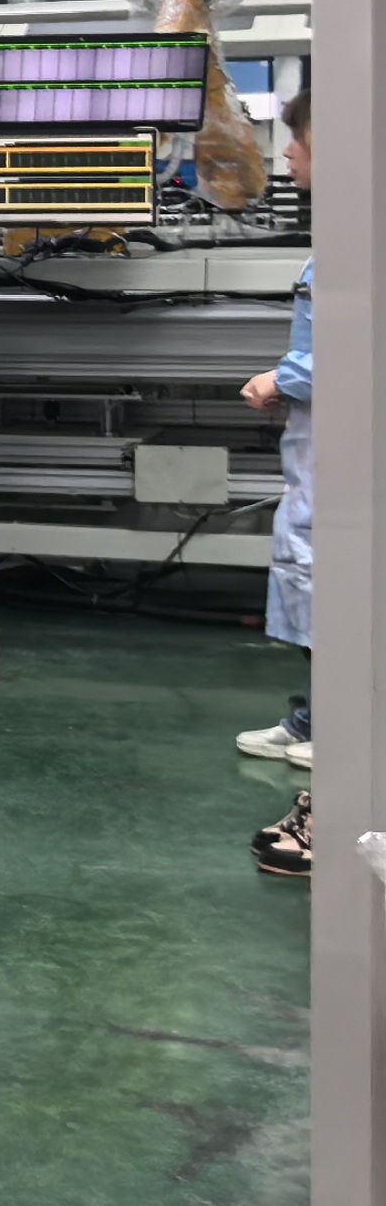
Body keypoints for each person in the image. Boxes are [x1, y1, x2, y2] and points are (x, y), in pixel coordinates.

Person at [248, 90, 317, 878]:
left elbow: (346, 340)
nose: (287, 154)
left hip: (339, 461)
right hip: (318, 451)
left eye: (296, 140)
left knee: (337, 596)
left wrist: (283, 380)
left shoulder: (359, 236)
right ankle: (314, 724)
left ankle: (337, 747)